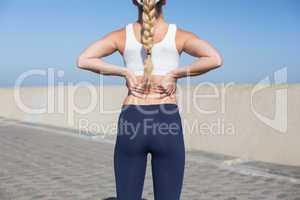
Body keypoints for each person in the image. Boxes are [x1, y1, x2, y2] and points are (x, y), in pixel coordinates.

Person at [77, 0, 223, 199]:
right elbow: (214, 58)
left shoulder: (122, 35)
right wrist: (175, 74)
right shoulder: (179, 35)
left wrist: (124, 73)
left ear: (134, 1)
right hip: (167, 122)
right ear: (165, 1)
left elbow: (83, 60)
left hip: (132, 121)